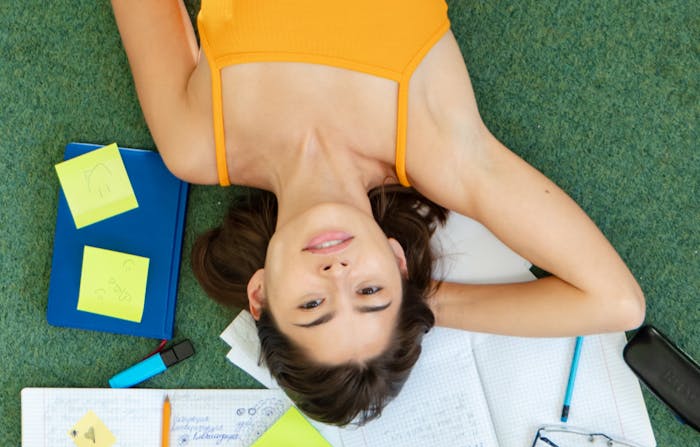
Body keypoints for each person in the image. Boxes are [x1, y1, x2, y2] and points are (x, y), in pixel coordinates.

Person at [109, 0, 645, 424]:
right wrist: (421, 302)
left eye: (313, 304)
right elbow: (617, 303)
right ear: (397, 261)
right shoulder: (443, 154)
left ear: (260, 293)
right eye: (370, 293)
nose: (338, 275)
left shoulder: (196, 146)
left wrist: (396, 299)